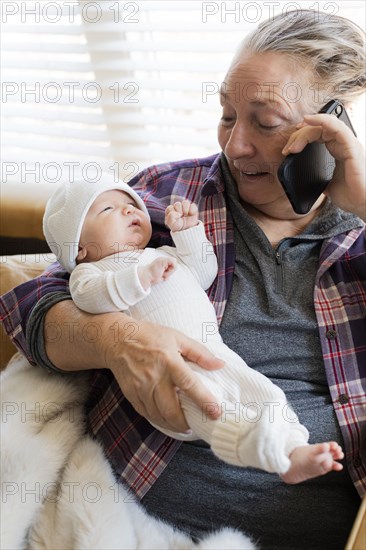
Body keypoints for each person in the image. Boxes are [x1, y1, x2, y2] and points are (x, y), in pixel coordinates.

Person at [0, 9, 365, 550]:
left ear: (329, 129)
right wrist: (122, 342)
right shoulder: (167, 194)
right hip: (122, 515)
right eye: (226, 114)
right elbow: (29, 304)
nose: (235, 145)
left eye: (265, 123)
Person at [42, 175, 344, 482]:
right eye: (108, 209)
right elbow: (91, 297)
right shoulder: (90, 272)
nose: (129, 211)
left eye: (131, 204)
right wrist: (139, 278)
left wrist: (188, 235)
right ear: (78, 249)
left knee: (264, 392)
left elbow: (203, 274)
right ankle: (265, 453)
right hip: (167, 375)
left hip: (212, 350)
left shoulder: (163, 255)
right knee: (211, 408)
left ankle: (294, 449)